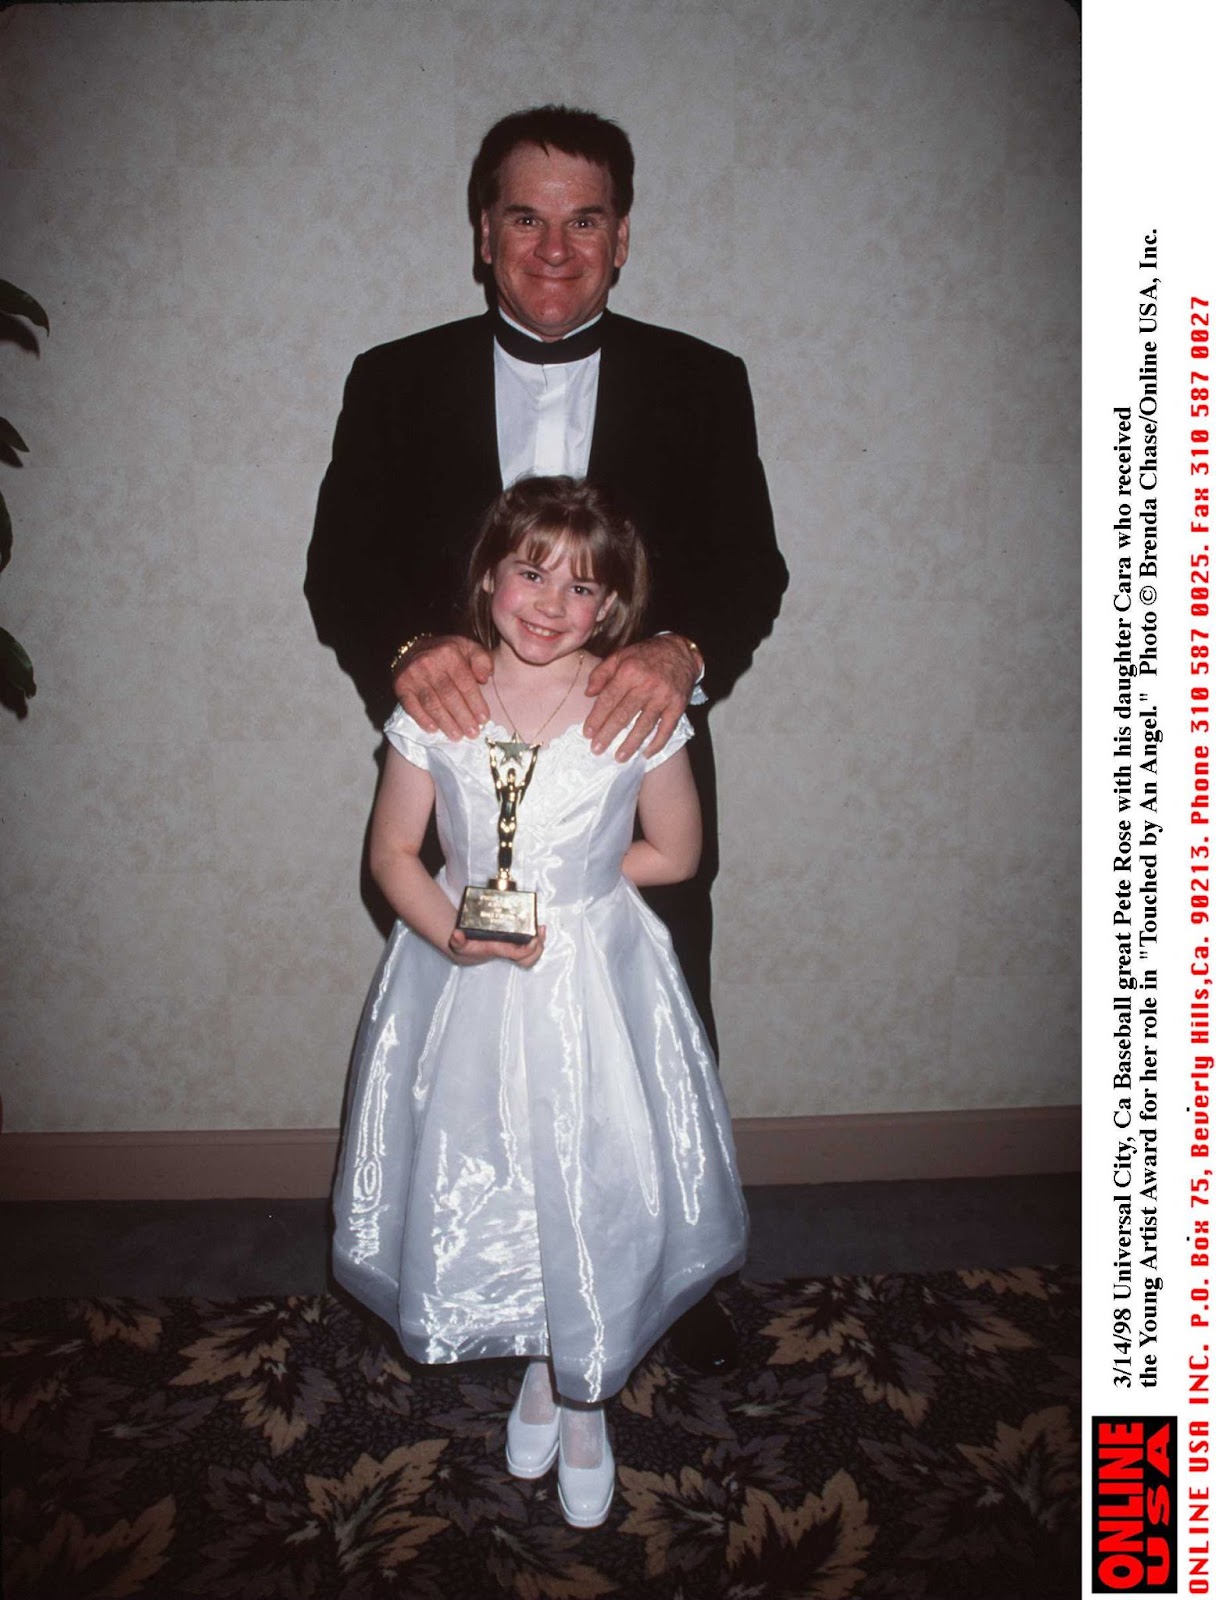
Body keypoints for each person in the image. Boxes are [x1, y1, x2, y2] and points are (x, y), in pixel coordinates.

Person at [306, 104, 787, 1373]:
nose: (555, 246)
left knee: (653, 1019)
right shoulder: (391, 376)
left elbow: (751, 567)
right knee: (462, 1047)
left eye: (585, 220)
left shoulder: (704, 377)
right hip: (464, 763)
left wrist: (679, 653)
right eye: (526, 215)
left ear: (622, 238)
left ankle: (668, 1278)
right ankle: (458, 1255)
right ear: (483, 232)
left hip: (632, 757)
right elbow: (337, 568)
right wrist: (410, 652)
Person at [331, 478, 748, 1529]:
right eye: (532, 569)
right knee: (493, 1171)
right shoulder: (437, 705)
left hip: (593, 979)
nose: (554, 599)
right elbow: (392, 853)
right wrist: (451, 931)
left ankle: (580, 1390)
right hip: (461, 974)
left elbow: (680, 851)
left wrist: (585, 886)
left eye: (586, 585)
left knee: (591, 1170)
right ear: (487, 576)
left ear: (611, 611)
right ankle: (539, 1351)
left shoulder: (634, 711)